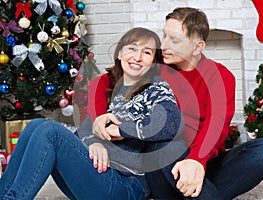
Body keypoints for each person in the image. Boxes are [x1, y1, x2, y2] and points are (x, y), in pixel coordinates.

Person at [88, 7, 263, 200]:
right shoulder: (157, 66)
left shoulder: (220, 76)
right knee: (164, 143)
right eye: (164, 36)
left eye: (174, 40)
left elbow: (216, 124)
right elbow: (106, 80)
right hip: (163, 166)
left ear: (198, 46)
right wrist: (99, 118)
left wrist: (196, 161)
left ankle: (198, 191)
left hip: (202, 162)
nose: (164, 45)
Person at [0, 27, 187, 200]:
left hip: (126, 184)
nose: (137, 57)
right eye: (132, 49)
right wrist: (94, 142)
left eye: (147, 53)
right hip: (102, 173)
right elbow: (85, 130)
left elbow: (172, 123)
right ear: (120, 53)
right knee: (35, 125)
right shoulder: (118, 91)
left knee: (51, 131)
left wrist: (121, 130)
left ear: (153, 62)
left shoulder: (156, 87)